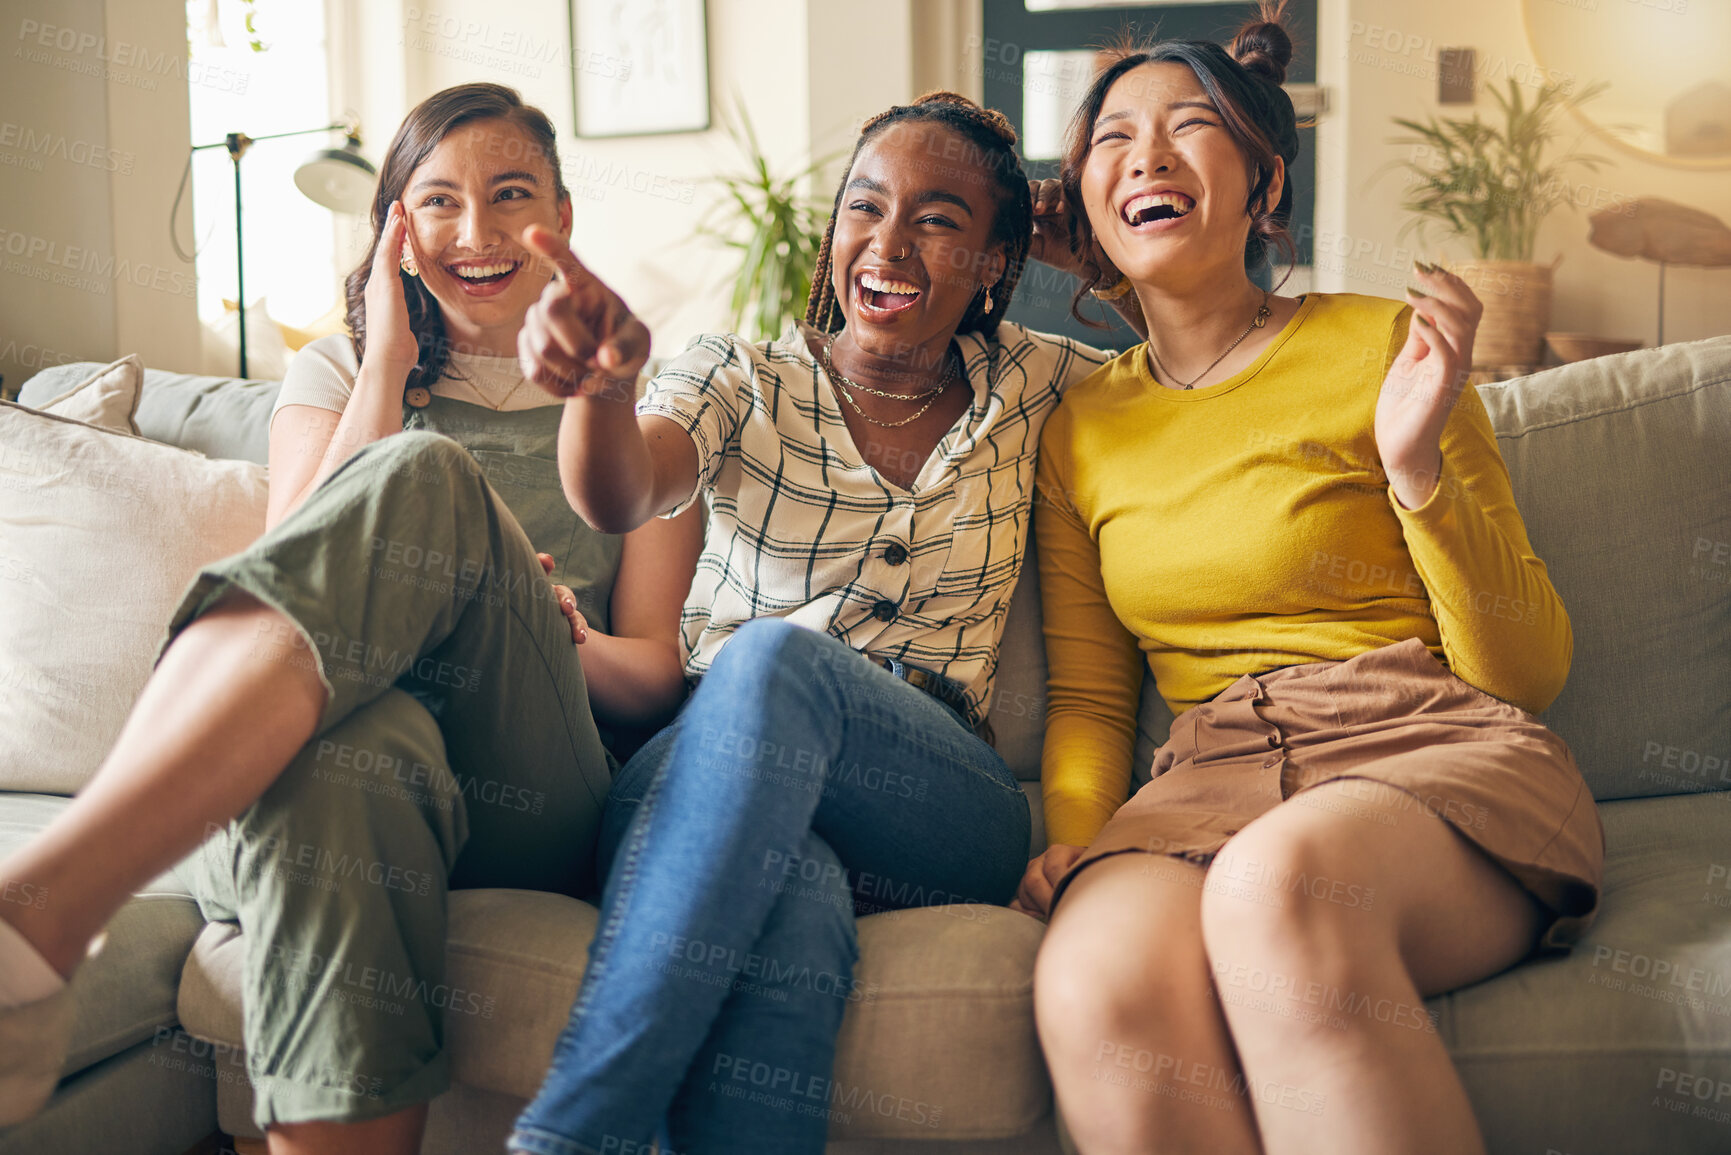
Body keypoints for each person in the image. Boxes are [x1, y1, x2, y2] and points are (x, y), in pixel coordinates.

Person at [0, 82, 700, 1155]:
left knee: (427, 478)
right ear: (394, 230)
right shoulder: (335, 372)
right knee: (349, 759)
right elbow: (292, 569)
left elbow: (657, 675)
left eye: (512, 195)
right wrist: (384, 363)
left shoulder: (622, 408)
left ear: (562, 217)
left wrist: (559, 627)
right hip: (354, 740)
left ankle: (48, 905)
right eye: (438, 203)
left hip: (538, 784)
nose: (475, 232)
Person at [1010, 8, 1605, 1155]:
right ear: (1090, 197)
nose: (1148, 156)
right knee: (1093, 983)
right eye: (1113, 140)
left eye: (1191, 128)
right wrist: (1081, 835)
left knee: (1275, 890)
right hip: (1211, 778)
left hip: (1427, 752)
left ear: (1262, 183)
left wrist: (1415, 464)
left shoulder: (1388, 345)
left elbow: (1527, 670)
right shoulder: (1076, 426)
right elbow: (1092, 697)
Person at [503, 92, 1135, 1155]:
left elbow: (1197, 355)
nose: (887, 244)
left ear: (994, 263)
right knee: (790, 907)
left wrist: (1095, 254)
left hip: (932, 805)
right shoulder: (736, 376)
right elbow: (623, 493)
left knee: (772, 658)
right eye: (865, 207)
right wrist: (603, 393)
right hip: (698, 779)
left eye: (938, 220)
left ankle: (576, 1130)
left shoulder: (1040, 383)